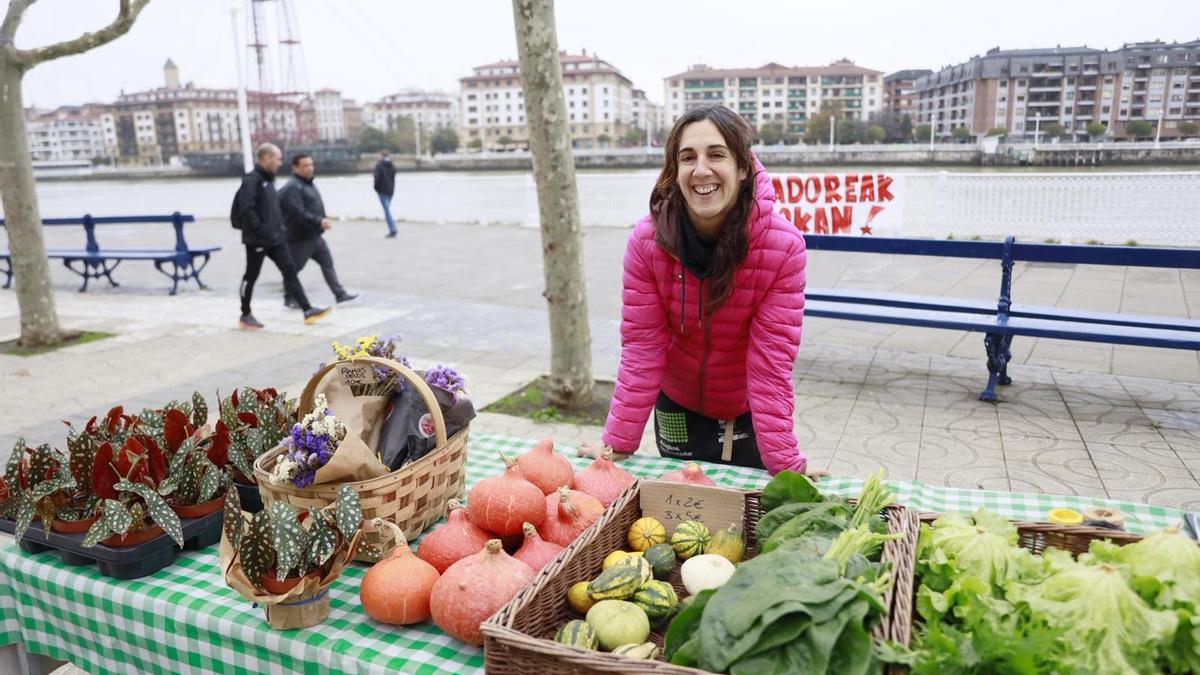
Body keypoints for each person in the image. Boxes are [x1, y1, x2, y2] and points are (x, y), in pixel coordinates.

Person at [579, 105, 824, 479]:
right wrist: (616, 444)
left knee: (743, 503)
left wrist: (786, 462)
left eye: (717, 154)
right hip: (676, 403)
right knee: (682, 499)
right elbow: (642, 347)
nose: (701, 170)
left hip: (747, 410)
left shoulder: (784, 247)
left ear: (743, 167)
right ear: (674, 170)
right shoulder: (647, 241)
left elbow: (771, 362)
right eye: (688, 157)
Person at [235, 143, 331, 329]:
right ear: (266, 158)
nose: (280, 163)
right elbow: (247, 210)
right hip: (257, 240)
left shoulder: (269, 180)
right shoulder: (252, 180)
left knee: (290, 271)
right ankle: (245, 314)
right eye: (278, 159)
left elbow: (273, 210)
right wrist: (261, 230)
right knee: (251, 276)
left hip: (276, 239)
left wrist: (280, 230)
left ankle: (307, 310)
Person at [279, 153, 358, 308]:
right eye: (305, 166)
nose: (310, 168)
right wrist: (319, 221)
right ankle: (289, 298)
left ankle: (340, 294)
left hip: (315, 236)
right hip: (300, 239)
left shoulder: (308, 183)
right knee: (293, 269)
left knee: (327, 263)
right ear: (295, 168)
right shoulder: (292, 187)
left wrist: (321, 219)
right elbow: (298, 213)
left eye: (311, 165)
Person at [373, 149, 397, 238]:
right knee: (387, 210)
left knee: (387, 210)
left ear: (382, 156)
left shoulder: (379, 165)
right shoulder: (392, 165)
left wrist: (376, 188)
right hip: (390, 191)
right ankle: (392, 228)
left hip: (382, 191)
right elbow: (393, 177)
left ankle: (393, 229)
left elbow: (376, 178)